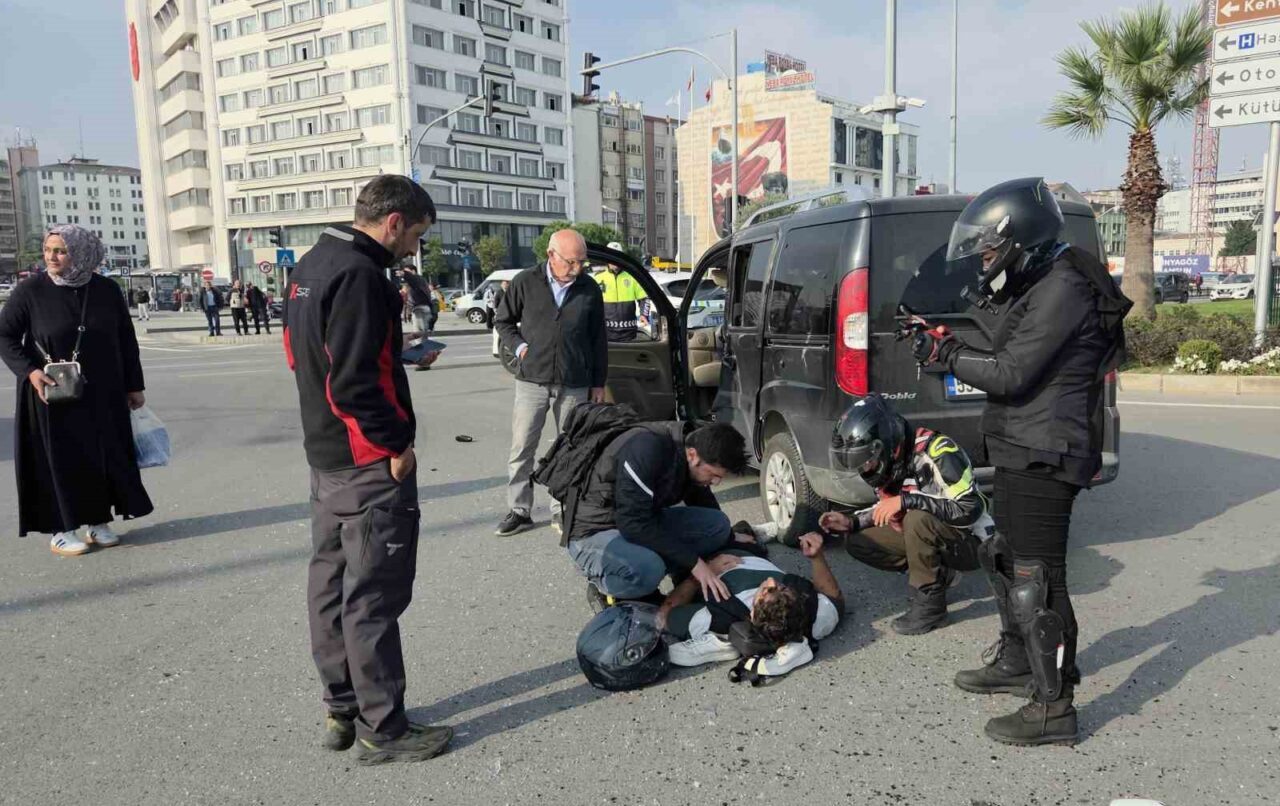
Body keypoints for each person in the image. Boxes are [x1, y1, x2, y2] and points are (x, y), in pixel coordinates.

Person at [910, 177, 1130, 746]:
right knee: (1006, 559)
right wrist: (948, 331)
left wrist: (947, 355)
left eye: (988, 247)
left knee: (1038, 580)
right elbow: (1006, 340)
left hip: (1046, 449)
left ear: (1019, 237)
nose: (983, 258)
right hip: (1021, 441)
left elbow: (1010, 371)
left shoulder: (1065, 285)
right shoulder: (1041, 280)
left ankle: (1054, 707)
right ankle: (1016, 661)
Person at [282, 175, 452, 765]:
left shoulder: (310, 265)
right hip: (365, 463)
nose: (413, 250)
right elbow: (351, 382)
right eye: (415, 236)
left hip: (324, 457)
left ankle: (342, 706)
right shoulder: (360, 275)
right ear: (394, 221)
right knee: (373, 594)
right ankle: (385, 728)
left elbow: (302, 355)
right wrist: (395, 444)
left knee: (328, 585)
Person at [0, 225, 153, 556]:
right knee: (60, 458)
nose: (51, 257)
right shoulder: (31, 290)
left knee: (102, 454)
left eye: (61, 250)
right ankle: (61, 528)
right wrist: (31, 372)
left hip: (104, 392)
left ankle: (98, 521)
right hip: (52, 392)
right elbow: (5, 335)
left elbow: (126, 339)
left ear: (82, 254)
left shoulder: (107, 290)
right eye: (48, 250)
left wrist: (134, 385)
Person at [824, 394, 991, 635]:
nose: (864, 468)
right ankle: (940, 574)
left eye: (866, 460)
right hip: (934, 534)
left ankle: (931, 607)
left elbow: (970, 509)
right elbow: (888, 509)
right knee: (859, 540)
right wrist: (851, 522)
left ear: (884, 444)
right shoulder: (890, 461)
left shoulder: (938, 451)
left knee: (916, 518)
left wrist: (906, 501)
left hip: (974, 542)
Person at [492, 229, 608, 537]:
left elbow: (599, 339)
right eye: (571, 262)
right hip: (532, 380)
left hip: (575, 381)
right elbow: (502, 320)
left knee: (570, 448)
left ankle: (562, 508)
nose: (578, 268)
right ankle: (519, 509)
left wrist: (599, 383)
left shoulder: (589, 288)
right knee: (522, 447)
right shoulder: (525, 282)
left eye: (582, 261)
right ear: (551, 255)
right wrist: (519, 346)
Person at [564, 420, 750, 609]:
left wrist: (730, 536)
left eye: (720, 477)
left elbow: (701, 497)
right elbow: (632, 524)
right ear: (693, 455)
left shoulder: (692, 448)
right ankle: (604, 584)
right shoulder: (647, 449)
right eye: (713, 475)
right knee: (647, 568)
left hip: (640, 519)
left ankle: (669, 568)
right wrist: (696, 564)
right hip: (593, 531)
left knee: (717, 526)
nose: (716, 482)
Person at [660, 532, 843, 670]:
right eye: (783, 588)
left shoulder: (713, 618)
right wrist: (817, 558)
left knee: (676, 536)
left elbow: (664, 616)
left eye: (766, 590)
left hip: (708, 555)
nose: (771, 580)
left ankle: (725, 643)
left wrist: (701, 574)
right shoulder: (815, 616)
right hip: (749, 549)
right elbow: (834, 596)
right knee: (745, 532)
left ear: (753, 612)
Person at [595, 241, 648, 342]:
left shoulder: (632, 277)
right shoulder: (598, 277)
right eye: (612, 256)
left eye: (618, 256)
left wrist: (643, 315)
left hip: (629, 333)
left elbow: (644, 298)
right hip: (606, 333)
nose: (615, 260)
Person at [400, 265, 434, 336]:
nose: (405, 274)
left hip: (420, 308)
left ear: (413, 271)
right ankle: (422, 344)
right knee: (421, 331)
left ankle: (420, 345)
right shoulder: (415, 281)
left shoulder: (417, 279)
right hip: (420, 308)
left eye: (407, 272)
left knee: (419, 332)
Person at [489, 279, 508, 357]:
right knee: (497, 333)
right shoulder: (499, 292)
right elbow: (495, 304)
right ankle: (496, 351)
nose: (506, 285)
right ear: (501, 285)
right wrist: (497, 312)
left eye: (507, 283)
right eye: (504, 284)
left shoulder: (509, 292)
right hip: (500, 314)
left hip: (507, 313)